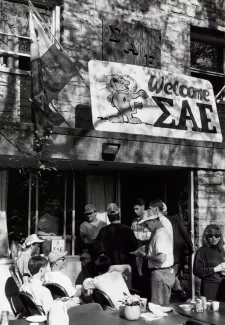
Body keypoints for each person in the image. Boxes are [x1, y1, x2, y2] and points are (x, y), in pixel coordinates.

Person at [20, 256, 103, 316]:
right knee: (97, 306)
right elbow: (52, 315)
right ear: (41, 269)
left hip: (37, 314)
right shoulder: (44, 291)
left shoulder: (23, 287)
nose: (47, 270)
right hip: (60, 315)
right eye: (46, 268)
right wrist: (69, 305)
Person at [131, 214, 175, 305]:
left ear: (154, 220)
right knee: (162, 306)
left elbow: (161, 258)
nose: (146, 228)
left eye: (147, 225)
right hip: (164, 273)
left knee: (158, 308)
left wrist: (145, 256)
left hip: (161, 274)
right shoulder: (162, 233)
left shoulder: (160, 235)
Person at [163, 203, 194, 300]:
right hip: (175, 252)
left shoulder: (160, 220)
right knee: (173, 273)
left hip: (165, 252)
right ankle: (179, 292)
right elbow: (184, 233)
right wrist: (191, 247)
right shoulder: (175, 219)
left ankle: (177, 292)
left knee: (171, 273)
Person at [193, 224, 225, 300]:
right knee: (210, 311)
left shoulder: (221, 250)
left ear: (220, 236)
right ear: (206, 237)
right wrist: (215, 269)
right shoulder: (202, 251)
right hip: (209, 287)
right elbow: (197, 271)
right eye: (211, 236)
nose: (214, 238)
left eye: (216, 235)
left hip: (222, 285)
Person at [79, 204, 107, 276]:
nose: (89, 216)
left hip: (102, 256)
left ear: (95, 213)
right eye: (87, 214)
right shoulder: (83, 225)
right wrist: (99, 240)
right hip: (88, 256)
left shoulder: (104, 224)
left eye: (90, 213)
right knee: (90, 279)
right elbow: (86, 241)